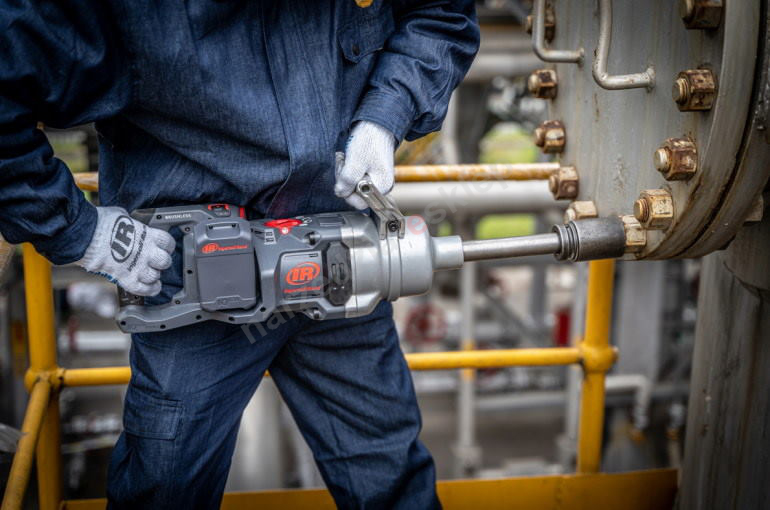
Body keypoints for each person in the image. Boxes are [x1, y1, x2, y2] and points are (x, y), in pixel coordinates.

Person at [0, 1, 479, 508]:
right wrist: (80, 229)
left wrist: (385, 115)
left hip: (342, 259)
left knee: (391, 476)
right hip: (194, 284)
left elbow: (441, 13)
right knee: (165, 489)